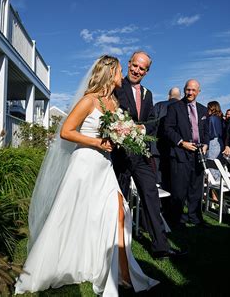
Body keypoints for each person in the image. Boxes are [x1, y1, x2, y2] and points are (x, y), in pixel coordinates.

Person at [15, 55, 159, 295]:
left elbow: (117, 131)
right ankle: (69, 263)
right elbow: (66, 132)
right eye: (119, 70)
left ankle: (120, 271)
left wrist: (126, 134)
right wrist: (95, 141)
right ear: (109, 73)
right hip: (84, 165)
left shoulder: (113, 102)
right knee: (72, 216)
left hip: (104, 166)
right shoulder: (88, 100)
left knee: (118, 211)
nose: (122, 74)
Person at [113, 51, 186, 259]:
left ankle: (160, 247)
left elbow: (152, 120)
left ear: (147, 71)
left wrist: (143, 130)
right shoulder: (117, 87)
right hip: (119, 157)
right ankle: (116, 246)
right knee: (120, 200)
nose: (137, 70)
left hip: (141, 156)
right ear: (129, 64)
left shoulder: (148, 94)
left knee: (151, 196)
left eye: (142, 68)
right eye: (134, 65)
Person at [164, 79, 209, 226]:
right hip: (180, 153)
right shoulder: (175, 107)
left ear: (198, 92)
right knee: (179, 189)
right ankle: (176, 220)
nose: (190, 92)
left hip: (198, 154)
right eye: (188, 89)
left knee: (196, 189)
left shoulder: (203, 110)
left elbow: (206, 131)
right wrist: (182, 143)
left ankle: (195, 218)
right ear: (184, 90)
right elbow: (168, 129)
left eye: (193, 90)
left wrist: (206, 145)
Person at [150, 86, 181, 190]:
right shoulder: (181, 107)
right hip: (174, 147)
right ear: (180, 97)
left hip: (157, 145)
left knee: (158, 177)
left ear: (168, 96)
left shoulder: (159, 105)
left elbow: (151, 124)